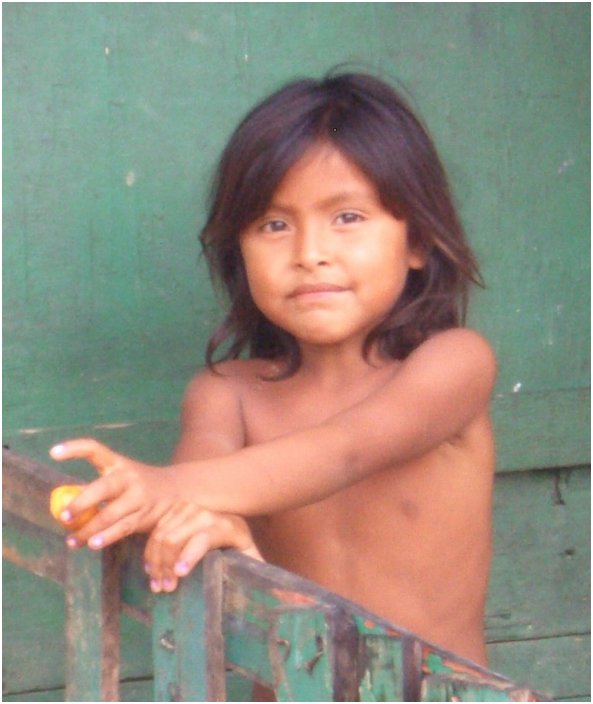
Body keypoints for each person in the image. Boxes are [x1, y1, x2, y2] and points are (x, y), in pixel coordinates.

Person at [50, 71, 496, 666]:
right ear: (240, 253)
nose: (310, 253)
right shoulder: (226, 395)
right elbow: (196, 501)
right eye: (274, 225)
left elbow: (345, 451)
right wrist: (213, 532)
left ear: (417, 241)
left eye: (348, 217)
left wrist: (164, 487)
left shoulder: (455, 363)